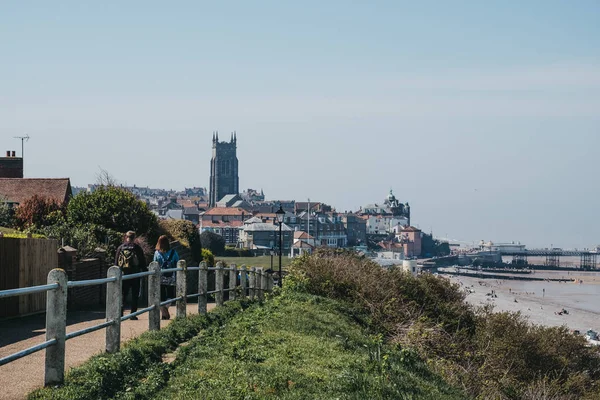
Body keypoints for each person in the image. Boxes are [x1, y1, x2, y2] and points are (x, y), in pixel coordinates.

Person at [115, 231, 147, 320]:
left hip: (124, 275)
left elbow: (116, 263)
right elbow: (142, 262)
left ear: (126, 237)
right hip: (135, 275)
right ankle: (133, 314)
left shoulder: (120, 248)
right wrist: (145, 271)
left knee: (123, 294)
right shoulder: (137, 248)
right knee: (135, 295)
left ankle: (120, 312)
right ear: (134, 238)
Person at [154, 235, 180, 320]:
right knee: (170, 295)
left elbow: (154, 264)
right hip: (171, 276)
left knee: (161, 296)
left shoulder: (157, 253)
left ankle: (164, 312)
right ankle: (165, 310)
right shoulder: (173, 252)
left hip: (160, 276)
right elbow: (178, 262)